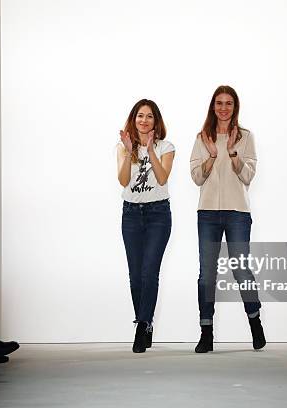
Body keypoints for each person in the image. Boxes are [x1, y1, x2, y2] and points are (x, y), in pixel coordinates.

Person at [190, 85, 265, 353]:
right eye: (219, 103)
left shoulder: (246, 137)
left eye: (229, 103)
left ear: (235, 107)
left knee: (241, 270)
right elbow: (197, 177)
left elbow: (248, 176)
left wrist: (233, 152)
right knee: (206, 274)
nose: (223, 108)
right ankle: (206, 332)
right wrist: (211, 155)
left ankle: (255, 323)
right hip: (208, 213)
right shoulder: (202, 137)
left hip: (237, 213)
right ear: (213, 106)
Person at [117, 99, 175, 353]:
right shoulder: (122, 147)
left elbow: (162, 178)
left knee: (149, 272)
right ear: (134, 119)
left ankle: (142, 325)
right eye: (140, 116)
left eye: (149, 116)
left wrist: (150, 151)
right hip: (131, 215)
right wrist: (128, 152)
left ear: (156, 120)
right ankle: (146, 321)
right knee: (135, 275)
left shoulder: (167, 146)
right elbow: (122, 181)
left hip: (158, 215)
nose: (144, 120)